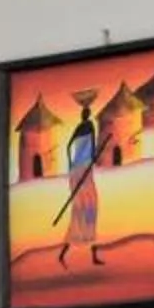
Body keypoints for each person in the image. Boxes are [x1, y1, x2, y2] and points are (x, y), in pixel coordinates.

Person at [57, 104, 103, 267]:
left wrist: (71, 164)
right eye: (86, 113)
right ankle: (75, 252)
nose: (87, 115)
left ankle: (91, 254)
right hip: (82, 170)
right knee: (87, 206)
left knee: (87, 208)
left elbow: (69, 146)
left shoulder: (79, 127)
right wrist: (92, 158)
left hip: (78, 170)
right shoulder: (89, 126)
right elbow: (90, 145)